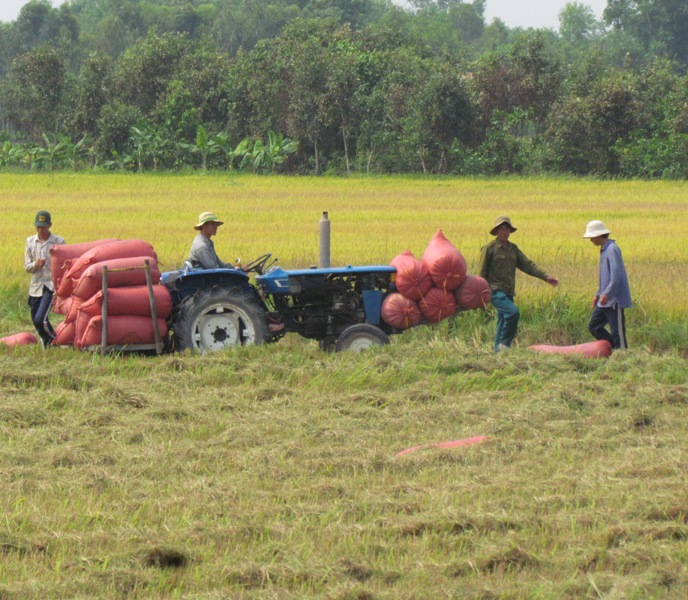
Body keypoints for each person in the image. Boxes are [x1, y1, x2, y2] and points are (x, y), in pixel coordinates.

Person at [479, 216, 559, 352]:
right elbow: (481, 272)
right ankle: (505, 344)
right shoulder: (489, 249)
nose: (504, 232)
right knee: (513, 313)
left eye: (507, 229)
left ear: (510, 231)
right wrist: (481, 293)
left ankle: (497, 353)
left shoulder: (513, 249)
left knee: (503, 319)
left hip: (509, 291)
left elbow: (528, 265)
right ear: (497, 231)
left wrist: (546, 277)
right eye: (501, 229)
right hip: (495, 291)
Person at [583, 220, 631, 349]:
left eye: (591, 237)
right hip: (604, 300)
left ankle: (622, 354)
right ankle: (613, 348)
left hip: (614, 300)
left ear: (599, 235)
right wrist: (598, 294)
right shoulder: (604, 250)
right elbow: (605, 278)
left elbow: (617, 276)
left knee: (617, 332)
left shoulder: (612, 249)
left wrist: (607, 294)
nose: (591, 240)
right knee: (594, 326)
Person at [24, 210, 65, 347]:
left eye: (43, 226)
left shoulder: (58, 242)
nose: (40, 229)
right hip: (35, 286)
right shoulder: (30, 242)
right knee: (35, 319)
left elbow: (65, 264)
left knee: (40, 319)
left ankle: (53, 340)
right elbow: (27, 266)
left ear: (49, 225)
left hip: (50, 286)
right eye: (38, 226)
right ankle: (47, 342)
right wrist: (35, 265)